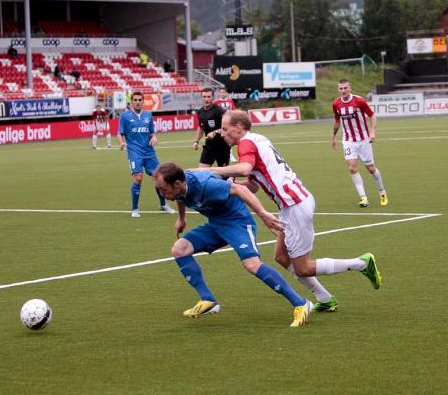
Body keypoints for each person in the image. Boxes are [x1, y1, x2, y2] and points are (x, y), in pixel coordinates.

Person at [204, 110, 383, 312]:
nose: (223, 134)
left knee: (303, 268)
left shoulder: (246, 142)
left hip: (294, 204)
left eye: (225, 129)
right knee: (281, 256)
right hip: (292, 203)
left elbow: (244, 168)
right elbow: (253, 185)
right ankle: (325, 298)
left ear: (238, 127)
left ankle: (361, 263)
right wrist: (229, 187)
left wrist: (210, 171)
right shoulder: (257, 139)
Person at [153, 163, 313, 327]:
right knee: (180, 249)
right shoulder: (179, 188)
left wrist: (263, 214)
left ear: (177, 183)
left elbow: (239, 189)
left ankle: (301, 303)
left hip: (238, 223)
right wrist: (181, 218)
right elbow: (181, 197)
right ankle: (208, 301)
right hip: (216, 225)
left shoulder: (205, 185)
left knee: (252, 265)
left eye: (163, 189)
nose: (162, 194)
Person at [117, 91, 176, 218]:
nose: (138, 102)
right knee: (138, 178)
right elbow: (120, 133)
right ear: (131, 102)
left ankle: (163, 205)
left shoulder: (148, 115)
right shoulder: (125, 116)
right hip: (134, 153)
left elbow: (151, 132)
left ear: (143, 101)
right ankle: (135, 209)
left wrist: (154, 137)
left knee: (160, 178)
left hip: (149, 152)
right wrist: (121, 142)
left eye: (140, 100)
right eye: (135, 100)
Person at [332, 78, 388, 208]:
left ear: (350, 88)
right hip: (348, 141)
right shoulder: (336, 104)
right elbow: (337, 121)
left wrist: (372, 132)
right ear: (338, 89)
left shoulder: (359, 101)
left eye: (345, 88)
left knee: (371, 169)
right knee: (352, 168)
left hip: (363, 140)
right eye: (341, 88)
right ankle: (363, 198)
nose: (343, 90)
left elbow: (372, 116)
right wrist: (333, 137)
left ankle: (382, 192)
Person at [193, 88, 230, 168]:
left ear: (213, 97)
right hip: (209, 146)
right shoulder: (200, 112)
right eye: (204, 97)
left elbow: (227, 127)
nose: (206, 99)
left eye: (209, 97)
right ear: (201, 97)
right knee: (201, 171)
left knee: (223, 173)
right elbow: (201, 127)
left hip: (222, 146)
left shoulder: (219, 111)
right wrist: (196, 141)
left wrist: (215, 132)